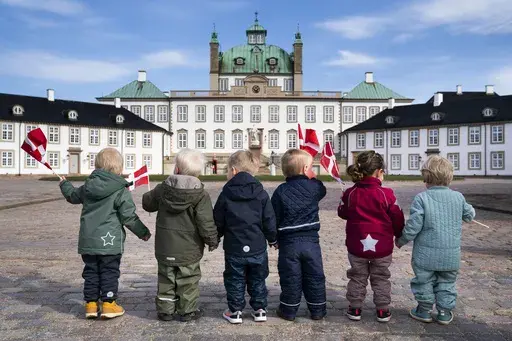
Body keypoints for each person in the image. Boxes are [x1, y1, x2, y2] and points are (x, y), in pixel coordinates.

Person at [59, 147, 151, 320]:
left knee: (91, 271)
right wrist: (143, 232)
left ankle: (91, 305)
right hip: (110, 242)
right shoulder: (120, 190)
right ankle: (109, 304)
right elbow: (128, 216)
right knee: (109, 271)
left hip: (89, 240)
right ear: (119, 168)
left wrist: (65, 184)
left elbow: (72, 196)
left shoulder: (88, 186)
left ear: (97, 165)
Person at [396, 155, 475, 325]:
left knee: (423, 280)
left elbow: (414, 225)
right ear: (450, 176)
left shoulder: (422, 198)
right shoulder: (458, 197)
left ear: (426, 176)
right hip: (450, 254)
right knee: (447, 282)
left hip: (425, 254)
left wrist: (401, 240)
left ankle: (424, 310)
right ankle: (444, 312)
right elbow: (469, 215)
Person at [142, 149, 218, 322]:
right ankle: (187, 311)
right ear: (198, 173)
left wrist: (151, 195)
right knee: (188, 279)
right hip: (189, 247)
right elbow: (206, 221)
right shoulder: (201, 195)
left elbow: (147, 204)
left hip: (165, 246)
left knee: (166, 278)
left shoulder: (163, 189)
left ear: (176, 169)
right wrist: (212, 240)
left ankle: (166, 311)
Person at [338, 150, 405, 322]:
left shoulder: (351, 193)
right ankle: (382, 309)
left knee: (357, 276)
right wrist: (399, 235)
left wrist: (342, 201)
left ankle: (355, 308)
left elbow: (343, 213)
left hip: (356, 246)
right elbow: (397, 217)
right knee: (381, 277)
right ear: (379, 172)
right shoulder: (387, 194)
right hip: (381, 248)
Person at [214, 150, 277, 324]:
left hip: (234, 247)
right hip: (257, 246)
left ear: (233, 170)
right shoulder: (261, 193)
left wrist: (216, 237)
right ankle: (260, 310)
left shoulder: (226, 193)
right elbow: (269, 219)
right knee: (258, 278)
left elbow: (218, 219)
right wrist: (273, 238)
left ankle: (235, 311)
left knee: (235, 279)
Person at [271, 149, 327, 321]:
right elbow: (322, 190)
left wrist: (274, 238)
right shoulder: (314, 187)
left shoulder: (280, 191)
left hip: (288, 242)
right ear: (305, 169)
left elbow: (274, 217)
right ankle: (317, 310)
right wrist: (311, 177)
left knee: (290, 277)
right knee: (315, 276)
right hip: (311, 241)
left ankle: (288, 310)